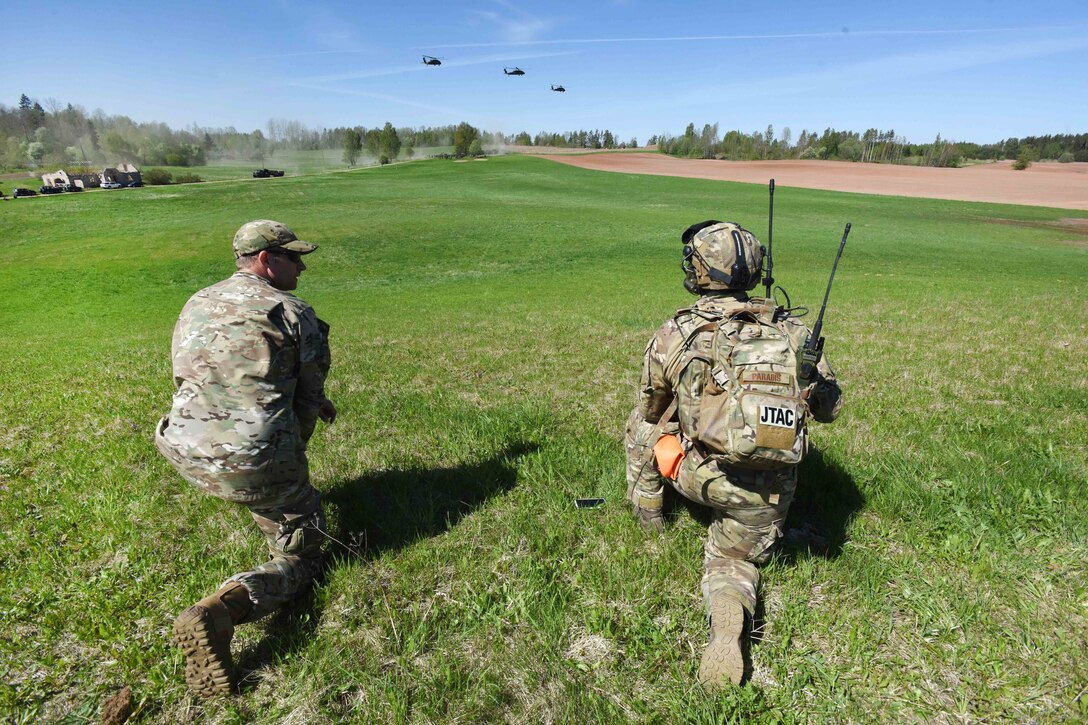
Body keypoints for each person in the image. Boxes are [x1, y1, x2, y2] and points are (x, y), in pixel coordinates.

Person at [624, 220, 843, 689]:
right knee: (733, 561)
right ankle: (728, 626)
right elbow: (830, 409)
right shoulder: (793, 331)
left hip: (700, 474)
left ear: (701, 272)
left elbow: (649, 406)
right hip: (768, 496)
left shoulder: (679, 331)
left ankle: (649, 520)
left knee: (641, 429)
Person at [155, 219, 336, 697]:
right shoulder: (293, 311)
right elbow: (303, 411)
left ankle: (252, 490)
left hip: (184, 447)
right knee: (306, 556)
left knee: (257, 476)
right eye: (293, 257)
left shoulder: (198, 301)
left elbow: (186, 374)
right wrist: (281, 469)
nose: (300, 266)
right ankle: (223, 609)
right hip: (251, 458)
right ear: (264, 260)